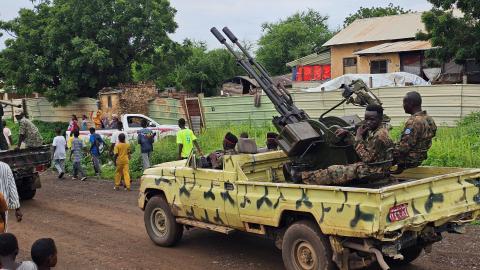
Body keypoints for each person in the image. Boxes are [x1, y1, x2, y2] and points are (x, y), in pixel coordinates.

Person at [301, 104, 394, 185]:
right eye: (366, 119)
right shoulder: (381, 129)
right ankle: (306, 176)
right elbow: (370, 149)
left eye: (372, 119)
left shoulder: (379, 135)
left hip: (373, 171)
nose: (368, 122)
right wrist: (349, 134)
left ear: (380, 119)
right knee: (344, 167)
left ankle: (302, 177)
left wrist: (357, 138)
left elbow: (367, 158)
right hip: (379, 169)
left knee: (334, 170)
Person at [393, 91, 437, 171]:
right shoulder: (429, 119)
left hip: (409, 159)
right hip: (421, 157)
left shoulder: (413, 122)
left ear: (411, 103)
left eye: (404, 103)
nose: (403, 105)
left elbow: (404, 148)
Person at [0, 162, 23, 230]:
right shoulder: (5, 166)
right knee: (3, 230)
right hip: (3, 207)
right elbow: (12, 187)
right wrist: (17, 208)